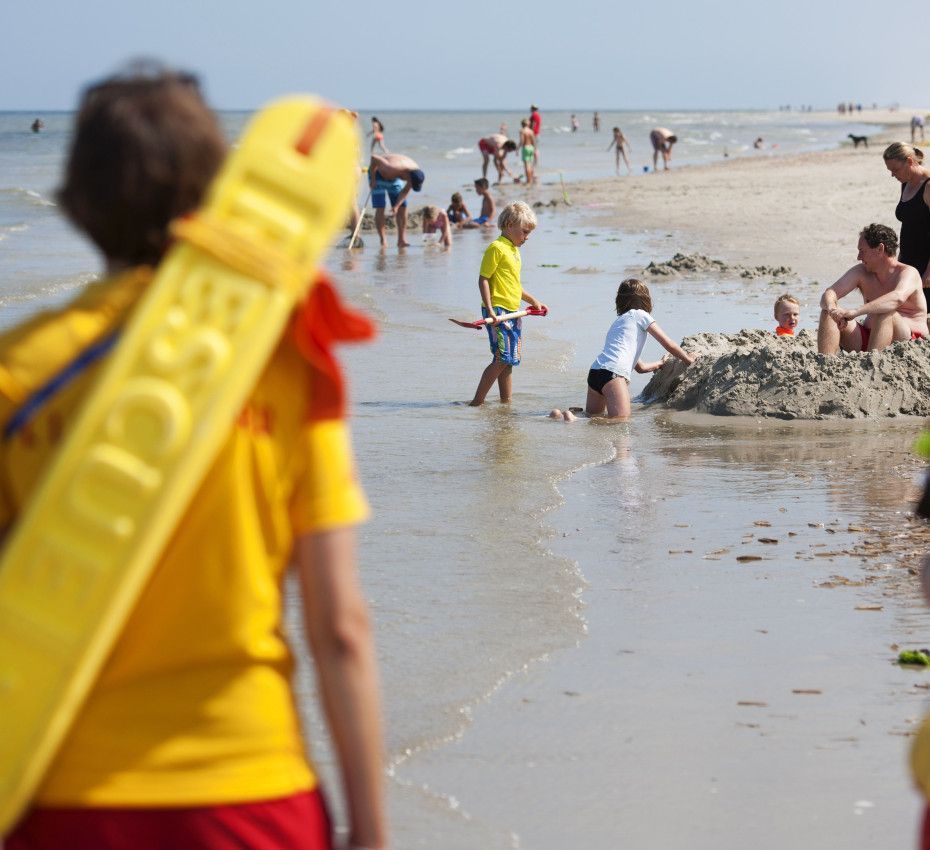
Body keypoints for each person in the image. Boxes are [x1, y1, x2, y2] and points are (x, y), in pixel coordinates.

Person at [0, 66, 386, 850]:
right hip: (252, 796)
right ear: (217, 194)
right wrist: (371, 836)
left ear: (75, 206)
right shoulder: (288, 365)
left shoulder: (19, 372)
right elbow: (340, 626)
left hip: (63, 802)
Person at [549, 279, 694, 422]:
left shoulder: (618, 323)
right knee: (621, 420)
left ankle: (561, 415)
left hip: (595, 371)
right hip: (613, 374)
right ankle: (573, 418)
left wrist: (659, 363)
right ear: (645, 299)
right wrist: (688, 359)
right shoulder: (641, 315)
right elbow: (667, 343)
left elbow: (640, 367)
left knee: (592, 418)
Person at [469, 202, 546, 406]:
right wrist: (491, 309)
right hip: (498, 311)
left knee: (509, 361)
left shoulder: (514, 250)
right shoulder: (496, 248)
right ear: (510, 225)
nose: (527, 237)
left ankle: (506, 404)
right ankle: (476, 402)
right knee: (501, 357)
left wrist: (533, 301)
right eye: (525, 232)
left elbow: (514, 285)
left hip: (513, 312)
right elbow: (483, 279)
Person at [817, 223, 928, 353]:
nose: (859, 257)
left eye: (862, 251)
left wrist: (856, 311)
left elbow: (896, 299)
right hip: (868, 338)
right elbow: (830, 292)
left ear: (880, 249)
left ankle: (872, 366)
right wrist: (832, 309)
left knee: (886, 311)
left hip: (906, 342)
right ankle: (825, 364)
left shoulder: (908, 273)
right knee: (828, 313)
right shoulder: (861, 272)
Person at [883, 142, 930, 308]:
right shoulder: (905, 183)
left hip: (926, 266)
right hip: (909, 262)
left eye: (895, 170)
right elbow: (909, 226)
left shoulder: (928, 186)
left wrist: (929, 272)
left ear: (910, 162)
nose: (892, 175)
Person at [368, 152, 425, 248]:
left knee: (403, 207)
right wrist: (373, 179)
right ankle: (383, 240)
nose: (409, 184)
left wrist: (396, 206)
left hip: (395, 178)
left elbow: (405, 191)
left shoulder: (415, 173)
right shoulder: (390, 167)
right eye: (410, 182)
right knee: (380, 206)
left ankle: (401, 240)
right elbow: (374, 158)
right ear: (408, 175)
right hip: (378, 175)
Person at [519, 119, 536, 185]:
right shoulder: (531, 131)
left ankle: (528, 180)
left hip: (525, 147)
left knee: (526, 165)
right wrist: (534, 149)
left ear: (522, 124)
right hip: (531, 147)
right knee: (530, 164)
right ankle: (531, 179)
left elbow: (522, 141)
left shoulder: (522, 131)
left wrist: (517, 148)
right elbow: (533, 141)